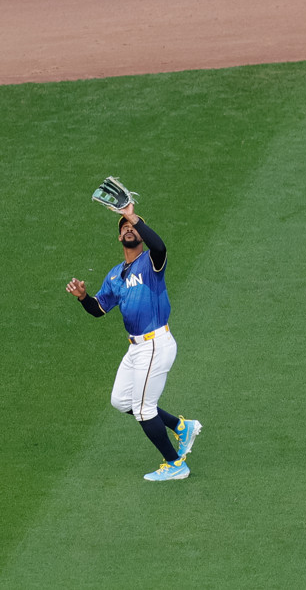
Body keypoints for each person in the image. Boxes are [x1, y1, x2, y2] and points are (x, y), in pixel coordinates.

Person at [65, 202, 201, 481]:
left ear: (140, 234)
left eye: (132, 226)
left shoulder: (151, 263)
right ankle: (180, 427)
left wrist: (132, 216)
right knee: (120, 400)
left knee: (142, 409)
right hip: (136, 348)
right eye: (123, 227)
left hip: (155, 343)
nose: (128, 229)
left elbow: (161, 247)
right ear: (119, 238)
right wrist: (82, 297)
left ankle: (176, 464)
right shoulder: (115, 275)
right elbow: (98, 310)